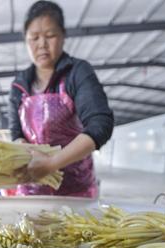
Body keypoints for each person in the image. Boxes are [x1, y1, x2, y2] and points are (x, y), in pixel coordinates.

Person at [8, 0, 114, 198]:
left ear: (63, 36)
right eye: (34, 38)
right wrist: (25, 151)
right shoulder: (19, 84)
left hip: (75, 192)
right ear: (25, 40)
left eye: (50, 36)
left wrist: (51, 164)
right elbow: (16, 132)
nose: (42, 45)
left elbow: (100, 123)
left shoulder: (78, 73)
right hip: (31, 190)